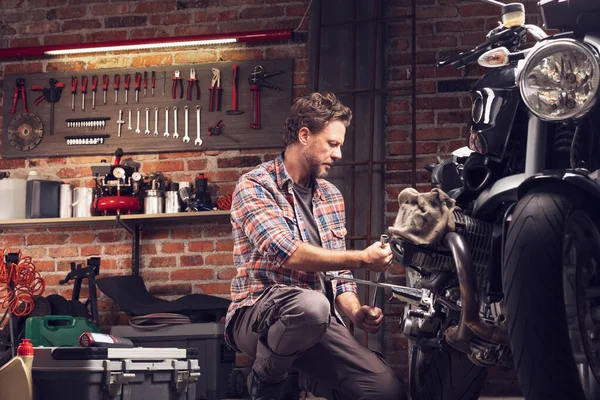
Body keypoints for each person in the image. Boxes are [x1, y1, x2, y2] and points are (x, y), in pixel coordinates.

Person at [226, 92, 407, 400]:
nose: (338, 154)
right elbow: (289, 253)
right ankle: (265, 381)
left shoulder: (331, 195)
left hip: (316, 322)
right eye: (332, 144)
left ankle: (299, 376)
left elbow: (339, 272)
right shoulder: (255, 186)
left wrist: (354, 311)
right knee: (311, 305)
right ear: (304, 135)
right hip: (256, 315)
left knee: (385, 391)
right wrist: (364, 258)